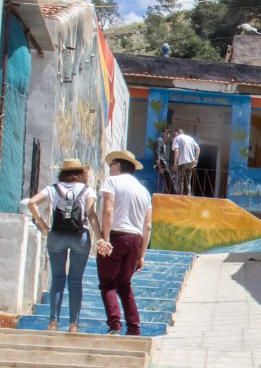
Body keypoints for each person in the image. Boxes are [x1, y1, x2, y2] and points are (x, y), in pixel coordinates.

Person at [26, 158, 100, 334]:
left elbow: (31, 202)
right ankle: (73, 324)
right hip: (79, 236)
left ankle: (53, 322)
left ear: (63, 173)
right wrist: (100, 238)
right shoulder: (87, 190)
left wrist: (43, 225)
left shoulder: (53, 188)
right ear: (81, 173)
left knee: (57, 279)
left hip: (56, 236)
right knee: (75, 281)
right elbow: (91, 214)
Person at [96, 150, 152, 336]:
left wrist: (105, 239)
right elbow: (148, 226)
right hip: (135, 240)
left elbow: (108, 210)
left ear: (118, 166)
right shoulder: (144, 191)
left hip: (116, 235)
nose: (110, 168)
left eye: (112, 165)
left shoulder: (112, 182)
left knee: (108, 284)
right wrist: (142, 255)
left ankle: (115, 326)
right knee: (125, 285)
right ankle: (134, 328)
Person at [171, 129, 200, 196]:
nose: (174, 136)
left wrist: (175, 164)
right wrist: (196, 161)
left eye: (175, 134)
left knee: (180, 181)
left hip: (182, 162)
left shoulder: (177, 138)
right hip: (190, 163)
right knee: (188, 181)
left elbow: (176, 150)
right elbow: (198, 148)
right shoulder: (190, 138)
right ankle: (188, 196)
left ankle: (180, 197)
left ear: (177, 133)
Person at [154, 128, 175, 194]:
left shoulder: (163, 142)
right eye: (166, 133)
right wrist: (159, 166)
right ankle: (173, 193)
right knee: (169, 179)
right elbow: (157, 153)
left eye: (169, 133)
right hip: (161, 164)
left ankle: (168, 192)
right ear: (162, 133)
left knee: (167, 180)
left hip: (162, 164)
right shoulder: (159, 140)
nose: (167, 135)